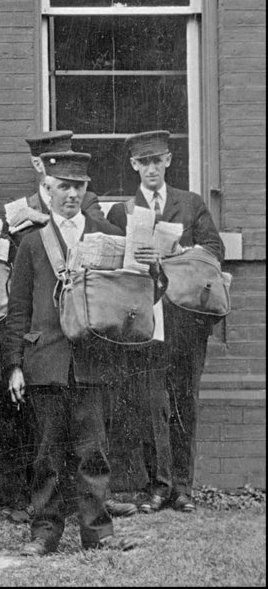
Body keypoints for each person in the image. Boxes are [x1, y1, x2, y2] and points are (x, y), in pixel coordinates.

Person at [6, 151, 141, 556]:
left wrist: (149, 267)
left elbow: (134, 296)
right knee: (45, 454)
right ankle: (44, 532)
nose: (70, 194)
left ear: (86, 189)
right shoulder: (31, 243)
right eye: (62, 186)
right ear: (47, 189)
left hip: (92, 363)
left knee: (92, 454)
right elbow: (18, 310)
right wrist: (13, 364)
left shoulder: (107, 233)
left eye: (77, 186)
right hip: (45, 360)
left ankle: (97, 532)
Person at [106, 130, 224, 515]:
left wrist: (177, 252)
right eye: (144, 162)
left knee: (184, 400)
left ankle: (184, 489)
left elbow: (215, 252)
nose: (151, 169)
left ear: (169, 161)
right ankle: (158, 485)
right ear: (134, 165)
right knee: (150, 402)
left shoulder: (189, 204)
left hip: (185, 319)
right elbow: (110, 264)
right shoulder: (121, 212)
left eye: (158, 160)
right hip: (144, 318)